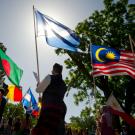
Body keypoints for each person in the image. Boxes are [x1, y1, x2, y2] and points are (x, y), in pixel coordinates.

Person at [31, 63, 67, 135]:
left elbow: (38, 90)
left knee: (44, 130)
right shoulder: (64, 85)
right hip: (59, 110)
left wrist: (39, 84)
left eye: (52, 70)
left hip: (48, 109)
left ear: (54, 70)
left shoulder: (50, 77)